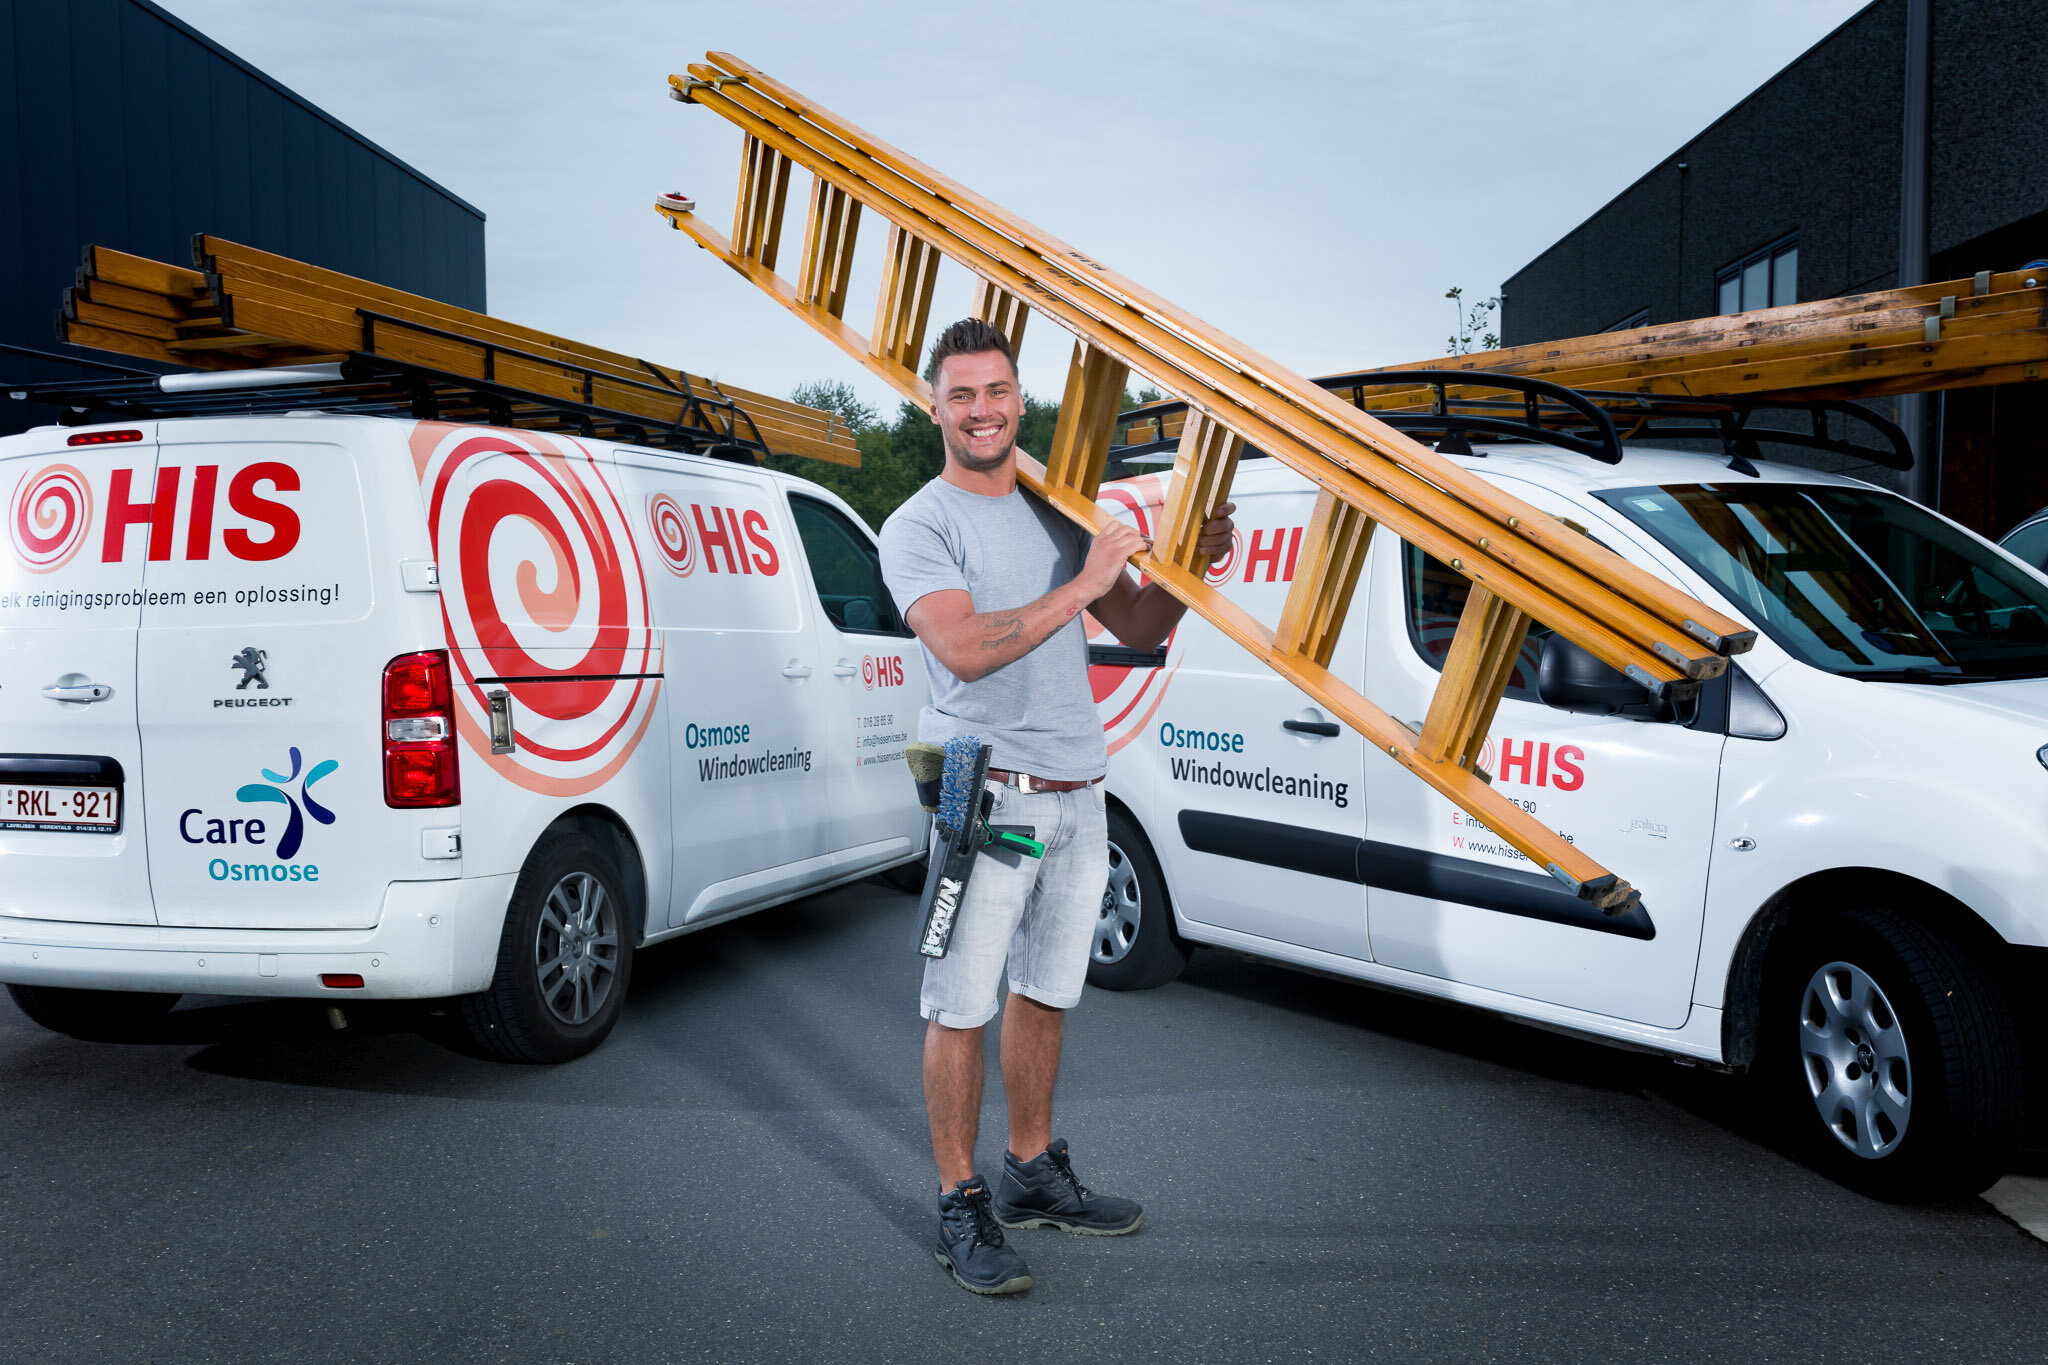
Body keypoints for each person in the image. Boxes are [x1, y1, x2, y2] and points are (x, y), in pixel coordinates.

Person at [879, 317, 1235, 1295]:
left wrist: (1192, 566)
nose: (980, 410)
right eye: (960, 395)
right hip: (984, 799)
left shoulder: (1053, 506)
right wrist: (1083, 579)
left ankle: (1030, 1171)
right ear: (934, 404)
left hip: (1081, 792)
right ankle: (960, 1202)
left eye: (994, 391)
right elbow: (961, 646)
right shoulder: (919, 524)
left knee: (1044, 994)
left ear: (1016, 396)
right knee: (958, 1007)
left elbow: (1135, 621)